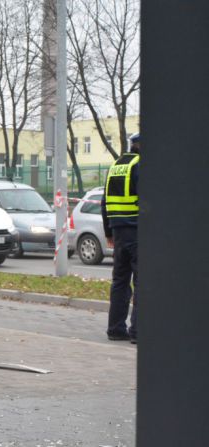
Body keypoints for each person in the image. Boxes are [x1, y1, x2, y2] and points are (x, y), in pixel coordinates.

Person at [101, 133, 140, 344]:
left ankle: (115, 329)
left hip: (118, 233)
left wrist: (108, 232)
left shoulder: (116, 165)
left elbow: (104, 202)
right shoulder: (140, 166)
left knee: (120, 282)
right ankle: (138, 332)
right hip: (138, 232)